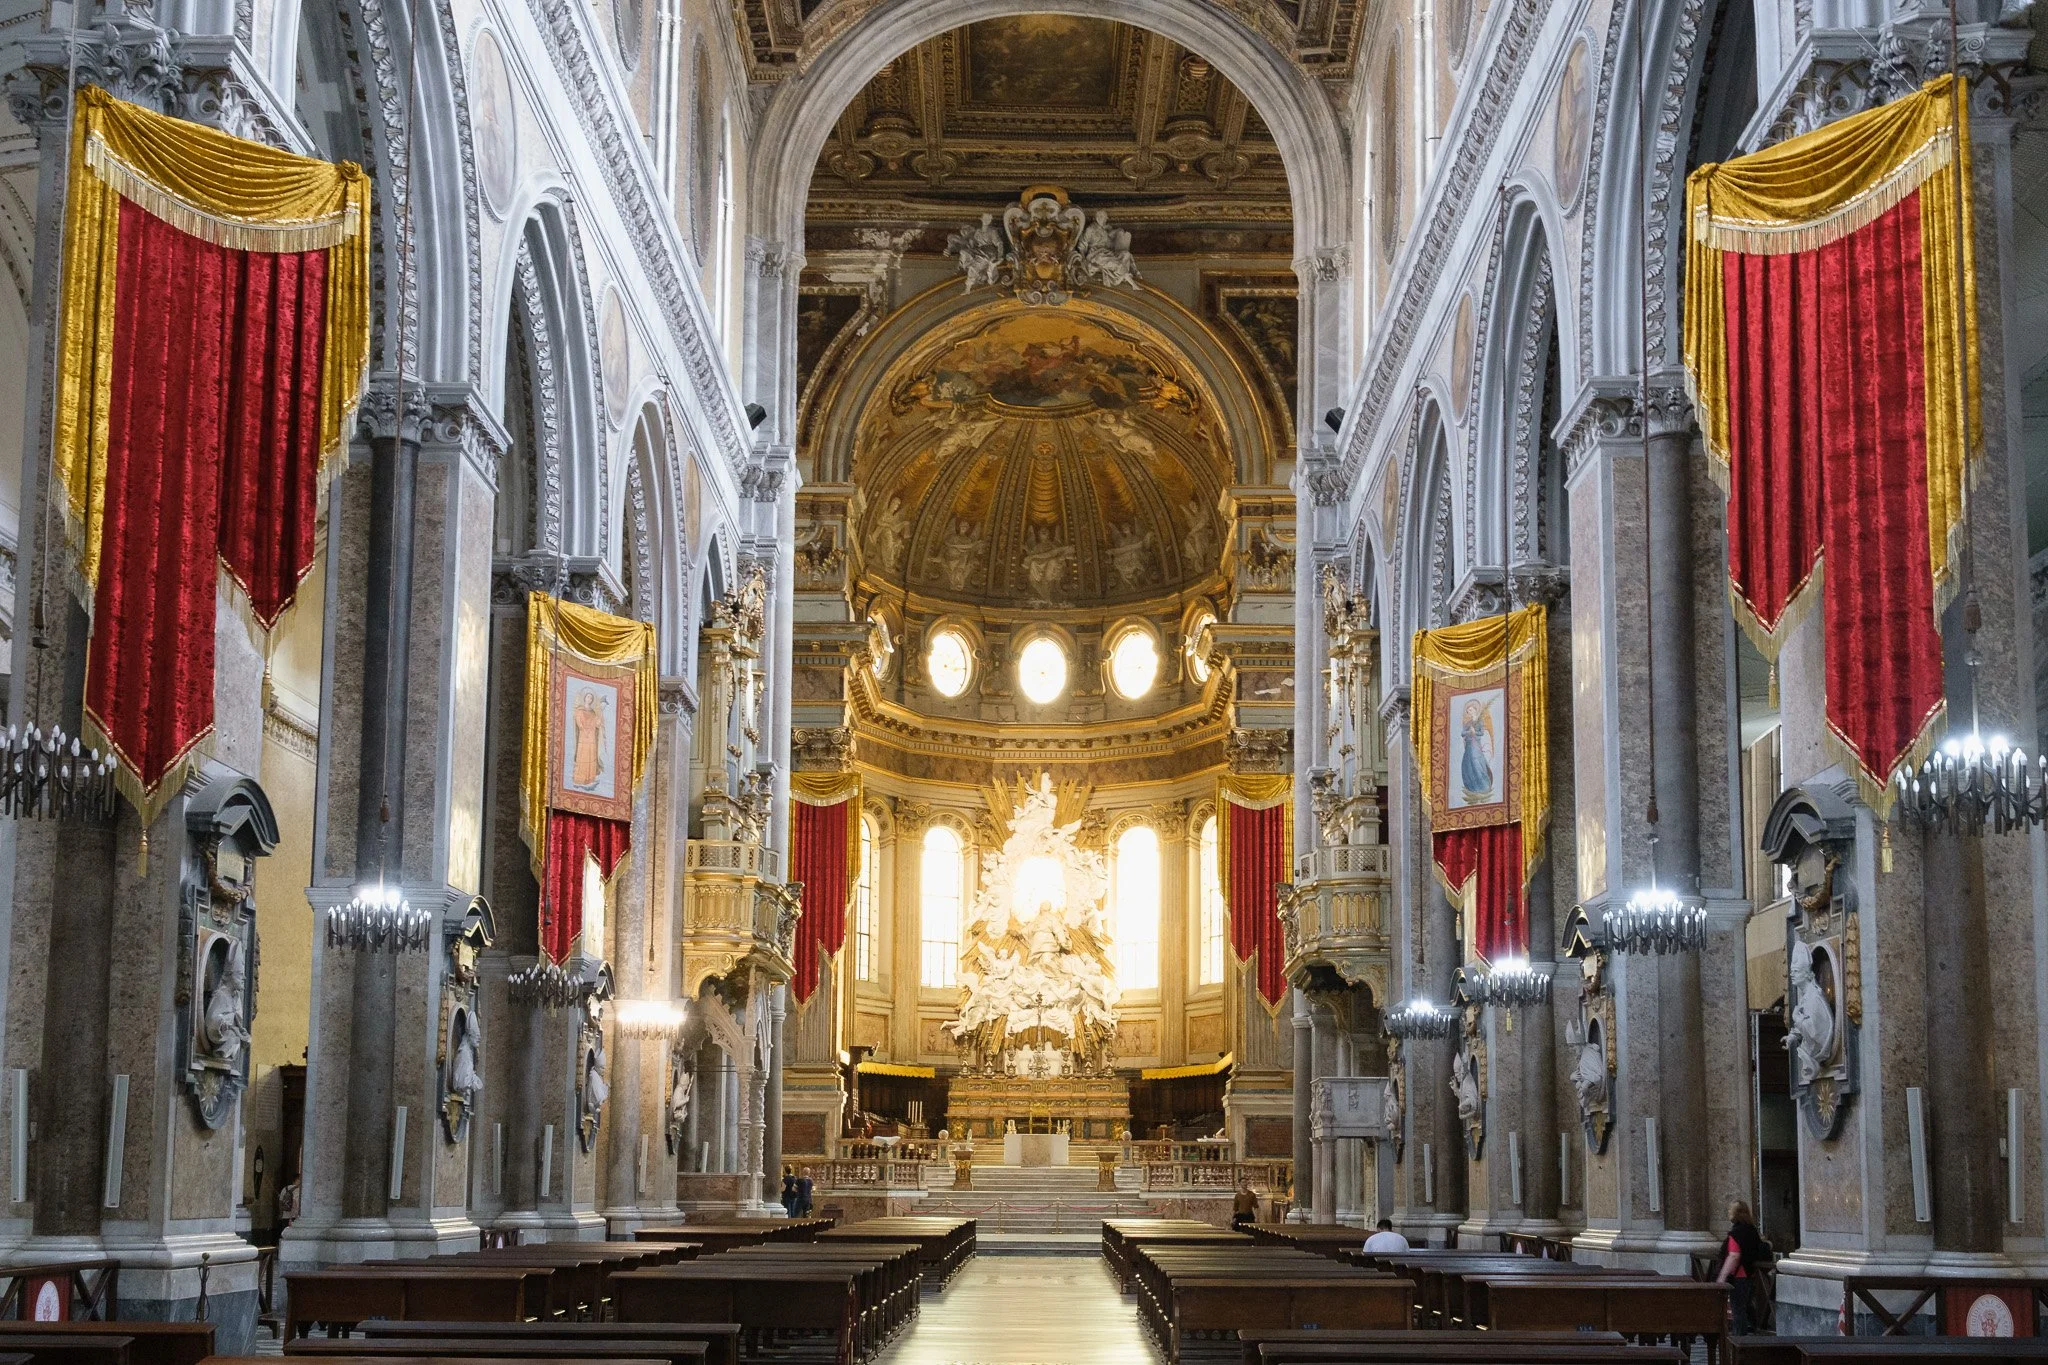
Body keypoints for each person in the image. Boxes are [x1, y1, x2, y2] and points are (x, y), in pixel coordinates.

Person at [1716, 1200, 1769, 1334]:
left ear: (1735, 1213)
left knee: (1737, 1309)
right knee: (1746, 1306)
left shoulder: (1736, 1233)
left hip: (1739, 1275)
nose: (1728, 1213)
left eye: (1730, 1211)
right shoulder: (1752, 1230)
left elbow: (1734, 1256)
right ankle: (1754, 1332)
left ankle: (1738, 1341)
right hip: (1750, 1274)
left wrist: (1722, 1275)